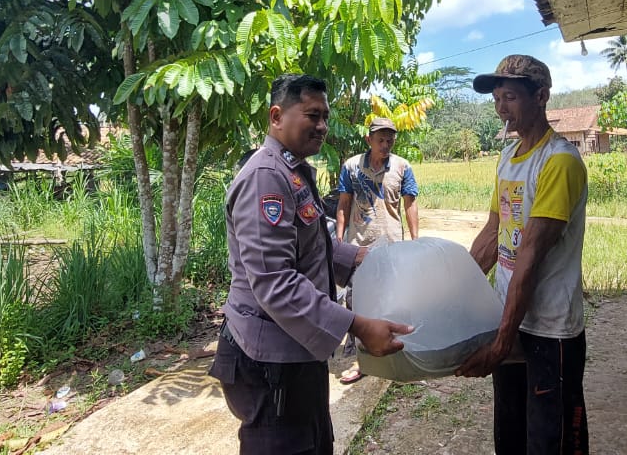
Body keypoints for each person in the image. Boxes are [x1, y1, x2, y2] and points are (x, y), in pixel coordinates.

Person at [210, 74, 412, 455]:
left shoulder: (293, 172)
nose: (322, 126)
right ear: (276, 116)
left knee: (314, 443)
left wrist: (362, 259)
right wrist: (356, 325)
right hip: (271, 360)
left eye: (325, 117)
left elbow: (313, 244)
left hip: (296, 349)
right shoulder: (266, 178)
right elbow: (275, 282)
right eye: (312, 115)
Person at [457, 55, 589, 455]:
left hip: (549, 328)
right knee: (511, 433)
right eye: (497, 98)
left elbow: (529, 258)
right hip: (510, 317)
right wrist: (452, 289)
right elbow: (493, 234)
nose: (501, 107)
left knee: (551, 439)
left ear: (542, 96)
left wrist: (499, 346)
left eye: (511, 97)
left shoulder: (559, 161)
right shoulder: (507, 158)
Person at [334, 116, 420, 384]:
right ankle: (361, 358)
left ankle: (394, 354)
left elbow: (410, 205)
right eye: (380, 139)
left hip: (391, 244)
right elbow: (343, 203)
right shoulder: (351, 167)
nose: (385, 144)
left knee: (393, 300)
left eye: (390, 140)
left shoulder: (402, 167)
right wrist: (339, 240)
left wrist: (416, 242)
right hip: (358, 244)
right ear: (368, 139)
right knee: (357, 300)